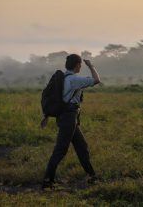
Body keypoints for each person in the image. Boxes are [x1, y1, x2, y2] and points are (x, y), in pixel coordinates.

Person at [41, 54, 101, 189]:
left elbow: (55, 98)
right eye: (80, 64)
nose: (81, 66)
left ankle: (92, 175)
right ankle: (47, 181)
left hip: (66, 117)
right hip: (69, 118)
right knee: (60, 150)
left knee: (82, 147)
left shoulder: (62, 79)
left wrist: (47, 114)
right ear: (77, 65)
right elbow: (97, 80)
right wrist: (91, 65)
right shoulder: (74, 79)